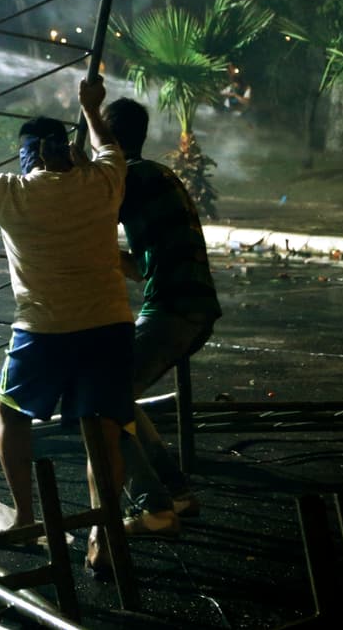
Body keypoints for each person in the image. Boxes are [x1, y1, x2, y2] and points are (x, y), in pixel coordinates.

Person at [0, 74, 132, 568]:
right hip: (112, 325)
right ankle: (103, 534)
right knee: (103, 432)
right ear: (66, 152)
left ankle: (23, 515)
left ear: (28, 157)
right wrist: (91, 108)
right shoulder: (104, 183)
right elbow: (107, 146)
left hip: (44, 329)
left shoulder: (13, 194)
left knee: (11, 414)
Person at [102, 97, 219, 537]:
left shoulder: (129, 177)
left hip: (174, 308)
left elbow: (83, 213)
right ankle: (177, 491)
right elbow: (143, 265)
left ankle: (154, 505)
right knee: (119, 394)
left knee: (101, 401)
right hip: (189, 306)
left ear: (109, 139)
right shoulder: (155, 175)